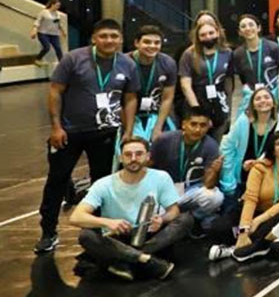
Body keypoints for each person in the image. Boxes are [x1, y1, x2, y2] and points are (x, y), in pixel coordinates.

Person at [37, 18, 140, 253]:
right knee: (57, 180)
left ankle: (96, 231)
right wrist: (56, 127)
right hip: (69, 132)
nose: (108, 40)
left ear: (120, 39)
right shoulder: (73, 59)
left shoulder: (127, 64)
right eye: (103, 36)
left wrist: (128, 131)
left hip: (105, 132)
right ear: (94, 38)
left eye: (114, 36)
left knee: (102, 183)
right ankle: (48, 231)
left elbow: (130, 98)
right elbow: (55, 91)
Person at [68, 136, 188, 281]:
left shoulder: (161, 177)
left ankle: (128, 258)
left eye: (139, 154)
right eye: (128, 155)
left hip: (148, 234)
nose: (133, 159)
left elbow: (174, 211)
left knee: (185, 219)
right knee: (86, 235)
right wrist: (107, 222)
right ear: (120, 158)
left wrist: (162, 219)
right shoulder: (103, 184)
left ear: (148, 156)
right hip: (118, 237)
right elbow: (76, 217)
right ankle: (145, 259)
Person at [208, 131, 279, 262]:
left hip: (274, 214)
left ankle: (234, 249)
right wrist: (244, 230)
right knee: (217, 228)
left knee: (274, 223)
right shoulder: (259, 168)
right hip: (252, 210)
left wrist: (258, 221)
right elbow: (250, 199)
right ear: (272, 150)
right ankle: (247, 243)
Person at [149, 109, 224, 230]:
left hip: (190, 190)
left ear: (208, 127)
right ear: (184, 124)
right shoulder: (164, 140)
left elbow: (208, 185)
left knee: (215, 197)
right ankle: (170, 221)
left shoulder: (211, 146)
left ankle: (192, 220)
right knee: (152, 213)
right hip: (165, 190)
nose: (198, 129)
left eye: (203, 125)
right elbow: (148, 168)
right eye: (193, 124)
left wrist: (215, 171)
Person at [218, 85, 279, 199]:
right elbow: (227, 146)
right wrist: (228, 180)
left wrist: (258, 164)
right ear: (253, 105)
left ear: (274, 103)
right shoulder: (243, 121)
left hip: (266, 178)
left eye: (267, 97)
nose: (263, 101)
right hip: (241, 177)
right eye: (258, 98)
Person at [178, 19, 233, 136]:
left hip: (219, 99)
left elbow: (229, 82)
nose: (208, 37)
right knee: (196, 135)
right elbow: (185, 85)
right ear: (198, 37)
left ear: (217, 32)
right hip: (197, 99)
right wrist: (196, 109)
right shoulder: (189, 54)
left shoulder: (227, 52)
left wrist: (228, 107)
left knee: (218, 137)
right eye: (203, 35)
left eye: (211, 33)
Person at [230, 13, 279, 118]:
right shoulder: (237, 54)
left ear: (258, 28)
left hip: (273, 96)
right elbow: (243, 79)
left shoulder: (273, 48)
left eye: (251, 25)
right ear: (240, 32)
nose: (247, 28)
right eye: (243, 26)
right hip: (252, 97)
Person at [130, 25, 177, 143]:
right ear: (137, 43)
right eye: (147, 42)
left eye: (157, 43)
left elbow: (167, 98)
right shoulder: (125, 62)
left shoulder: (168, 63)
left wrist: (158, 128)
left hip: (156, 115)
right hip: (130, 117)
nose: (152, 46)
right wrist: (128, 128)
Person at [30, 0, 66, 65]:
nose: (58, 7)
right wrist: (34, 30)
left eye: (59, 6)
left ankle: (62, 63)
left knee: (58, 48)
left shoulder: (57, 14)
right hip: (43, 33)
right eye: (57, 5)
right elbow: (38, 21)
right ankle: (38, 59)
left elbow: (58, 23)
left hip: (54, 34)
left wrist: (63, 31)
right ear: (52, 4)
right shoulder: (44, 12)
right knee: (47, 47)